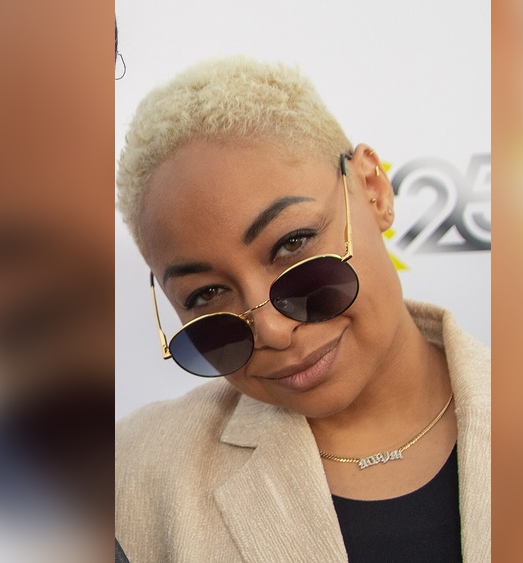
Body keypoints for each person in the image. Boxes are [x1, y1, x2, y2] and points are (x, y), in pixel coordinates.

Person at [115, 57, 490, 562]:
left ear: (373, 190)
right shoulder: (130, 477)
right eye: (206, 295)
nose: (271, 329)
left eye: (293, 243)